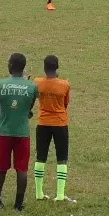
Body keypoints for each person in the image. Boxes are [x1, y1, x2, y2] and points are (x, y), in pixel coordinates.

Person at [0, 53, 37, 212]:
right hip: (22, 133)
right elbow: (29, 108)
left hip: (4, 132)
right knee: (22, 170)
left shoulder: (0, 84)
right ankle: (18, 204)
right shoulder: (32, 86)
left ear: (10, 65)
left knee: (1, 168)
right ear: (23, 67)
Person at [34, 55, 73, 202]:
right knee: (62, 158)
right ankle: (60, 194)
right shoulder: (65, 85)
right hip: (60, 123)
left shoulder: (37, 82)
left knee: (40, 156)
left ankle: (39, 193)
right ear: (57, 68)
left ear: (44, 68)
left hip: (43, 122)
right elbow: (65, 104)